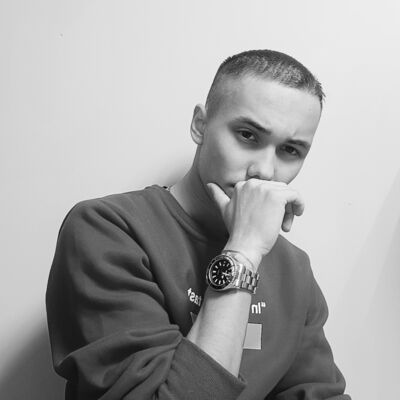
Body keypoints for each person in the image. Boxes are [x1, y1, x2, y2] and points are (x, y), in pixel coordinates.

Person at [46, 49, 351, 400]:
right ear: (200, 125)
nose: (265, 171)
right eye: (247, 135)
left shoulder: (294, 268)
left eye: (291, 150)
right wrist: (244, 252)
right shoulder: (106, 229)